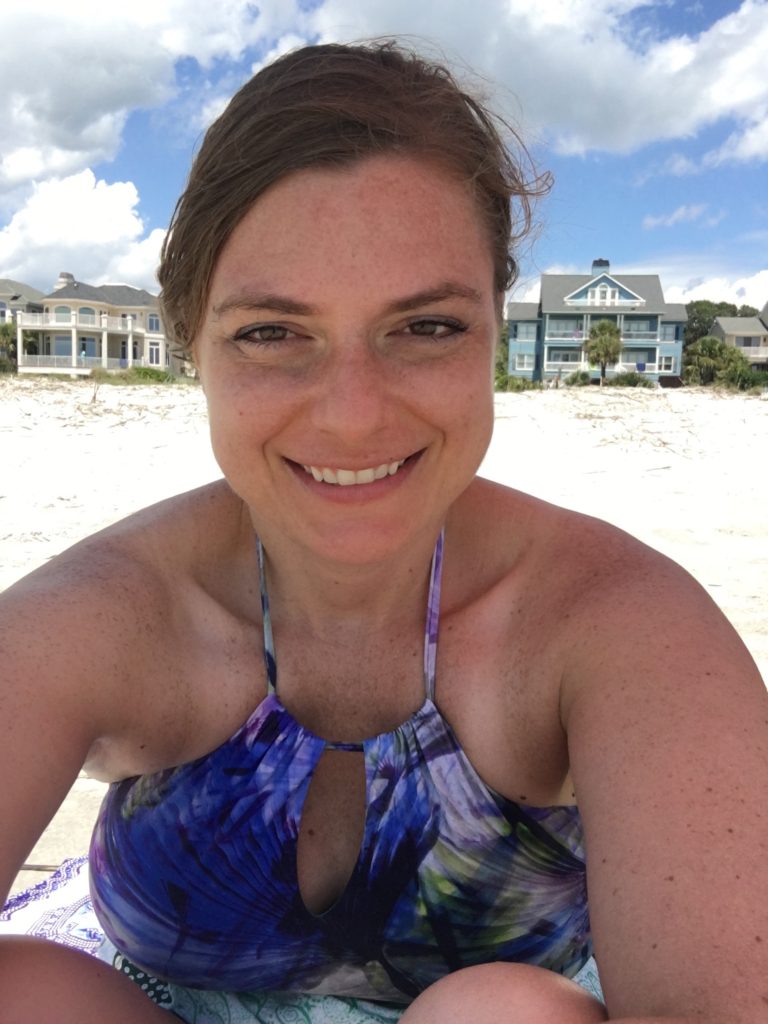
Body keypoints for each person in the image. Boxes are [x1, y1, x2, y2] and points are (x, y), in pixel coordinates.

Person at [0, 40, 766, 1024]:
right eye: (273, 332)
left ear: (497, 330)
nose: (354, 415)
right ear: (193, 343)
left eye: (427, 327)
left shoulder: (615, 627)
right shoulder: (111, 614)